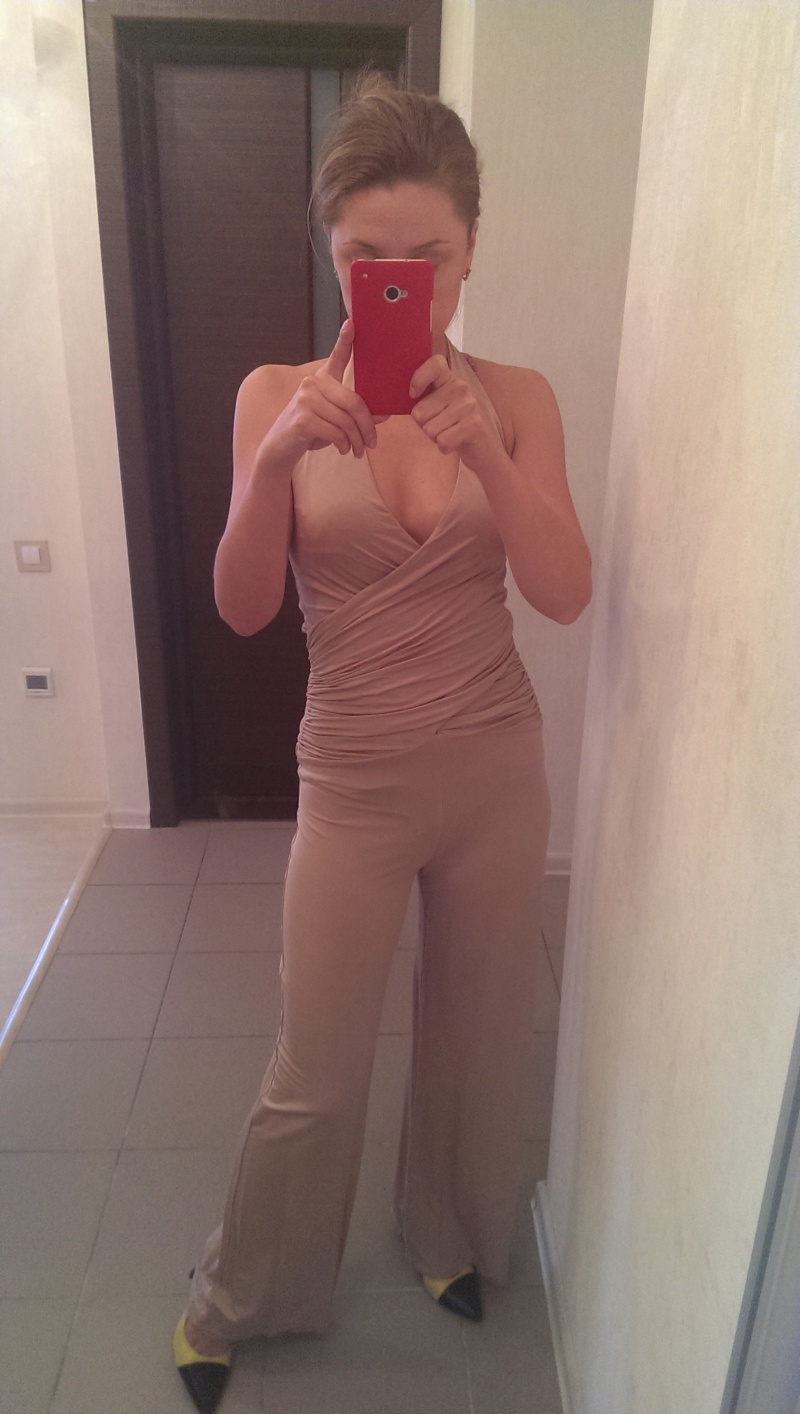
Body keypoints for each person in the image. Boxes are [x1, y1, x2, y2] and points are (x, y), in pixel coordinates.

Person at [171, 72, 592, 1413]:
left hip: (496, 773)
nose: (401, 281)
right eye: (367, 257)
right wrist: (272, 465)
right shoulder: (273, 395)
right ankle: (246, 1291)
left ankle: (446, 1232)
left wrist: (497, 463)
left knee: (478, 1035)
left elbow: (566, 590)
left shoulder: (518, 396)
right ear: (330, 250)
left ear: (469, 253)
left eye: (431, 258)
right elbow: (243, 607)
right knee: (315, 1067)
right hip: (351, 778)